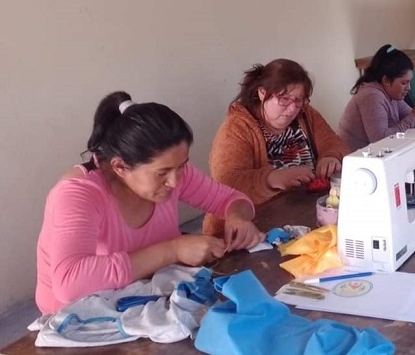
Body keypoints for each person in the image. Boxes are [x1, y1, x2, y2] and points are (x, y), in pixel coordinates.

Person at [36, 92, 261, 315]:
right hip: (80, 314)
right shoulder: (78, 195)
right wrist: (174, 250)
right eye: (162, 173)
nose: (175, 182)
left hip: (148, 291)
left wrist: (237, 217)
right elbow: (70, 282)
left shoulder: (173, 172)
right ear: (120, 167)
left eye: (181, 166)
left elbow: (232, 199)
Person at [202, 59, 348, 236]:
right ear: (262, 93)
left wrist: (331, 156)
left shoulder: (306, 115)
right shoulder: (237, 128)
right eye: (284, 99)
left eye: (299, 100)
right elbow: (226, 184)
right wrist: (271, 179)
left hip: (300, 215)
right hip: (249, 227)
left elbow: (333, 142)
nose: (292, 108)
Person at [337, 44, 415, 151]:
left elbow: (410, 115)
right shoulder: (371, 96)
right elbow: (380, 140)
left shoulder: (391, 94)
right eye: (404, 83)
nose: (409, 88)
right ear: (386, 80)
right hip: (354, 156)